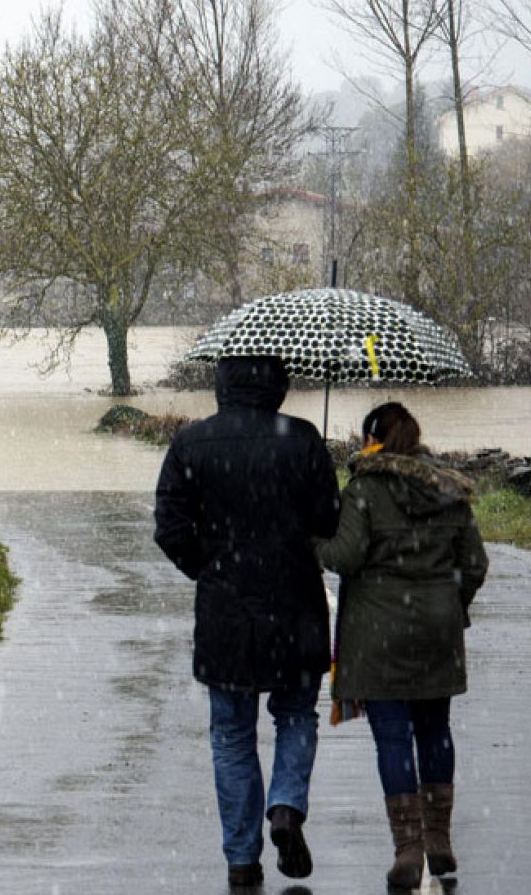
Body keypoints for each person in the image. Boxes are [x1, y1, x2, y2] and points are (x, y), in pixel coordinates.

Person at [153, 355, 340, 889]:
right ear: (279, 385)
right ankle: (285, 807)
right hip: (296, 604)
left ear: (222, 385)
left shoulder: (192, 443)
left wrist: (209, 567)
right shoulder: (302, 439)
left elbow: (169, 526)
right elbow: (329, 519)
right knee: (296, 715)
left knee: (232, 734)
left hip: (225, 612)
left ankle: (241, 857)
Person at [315, 402, 488, 889]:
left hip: (378, 634)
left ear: (372, 438)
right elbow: (474, 563)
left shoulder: (365, 489)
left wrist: (315, 541)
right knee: (435, 730)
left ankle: (408, 849)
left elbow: (345, 557)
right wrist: (451, 604)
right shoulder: (450, 489)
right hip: (437, 628)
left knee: (394, 738)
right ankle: (439, 840)